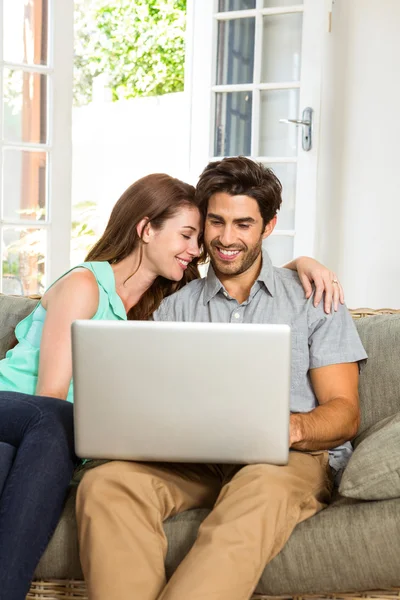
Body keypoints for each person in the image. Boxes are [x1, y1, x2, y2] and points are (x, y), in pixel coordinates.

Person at [0, 170, 338, 600]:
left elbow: (243, 274)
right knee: (59, 423)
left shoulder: (158, 309)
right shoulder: (85, 284)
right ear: (145, 229)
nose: (198, 249)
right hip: (22, 413)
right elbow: (49, 399)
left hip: (34, 439)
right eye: (189, 235)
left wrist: (296, 267)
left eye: (198, 238)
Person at [76, 157, 367, 600]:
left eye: (243, 224)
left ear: (268, 227)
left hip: (283, 462)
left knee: (260, 487)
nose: (226, 238)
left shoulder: (314, 298)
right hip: (197, 462)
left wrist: (288, 428)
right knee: (105, 483)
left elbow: (345, 415)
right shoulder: (175, 305)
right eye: (216, 221)